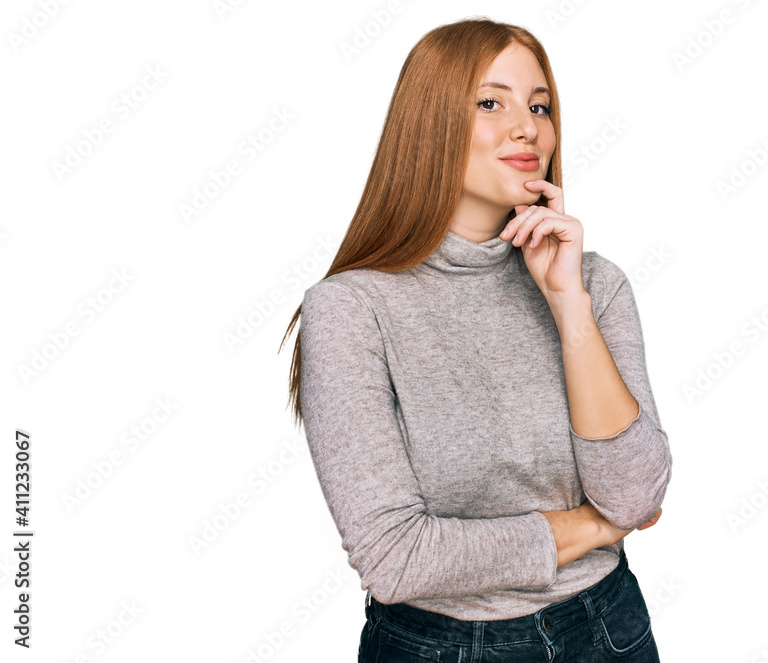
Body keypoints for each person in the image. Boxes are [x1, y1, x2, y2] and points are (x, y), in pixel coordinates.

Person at [279, 16, 672, 661]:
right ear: (429, 124)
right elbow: (396, 559)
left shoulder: (595, 284)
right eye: (492, 102)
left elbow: (635, 492)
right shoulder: (352, 309)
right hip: (443, 646)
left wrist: (568, 305)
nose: (529, 127)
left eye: (539, 106)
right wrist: (596, 527)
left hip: (610, 626)